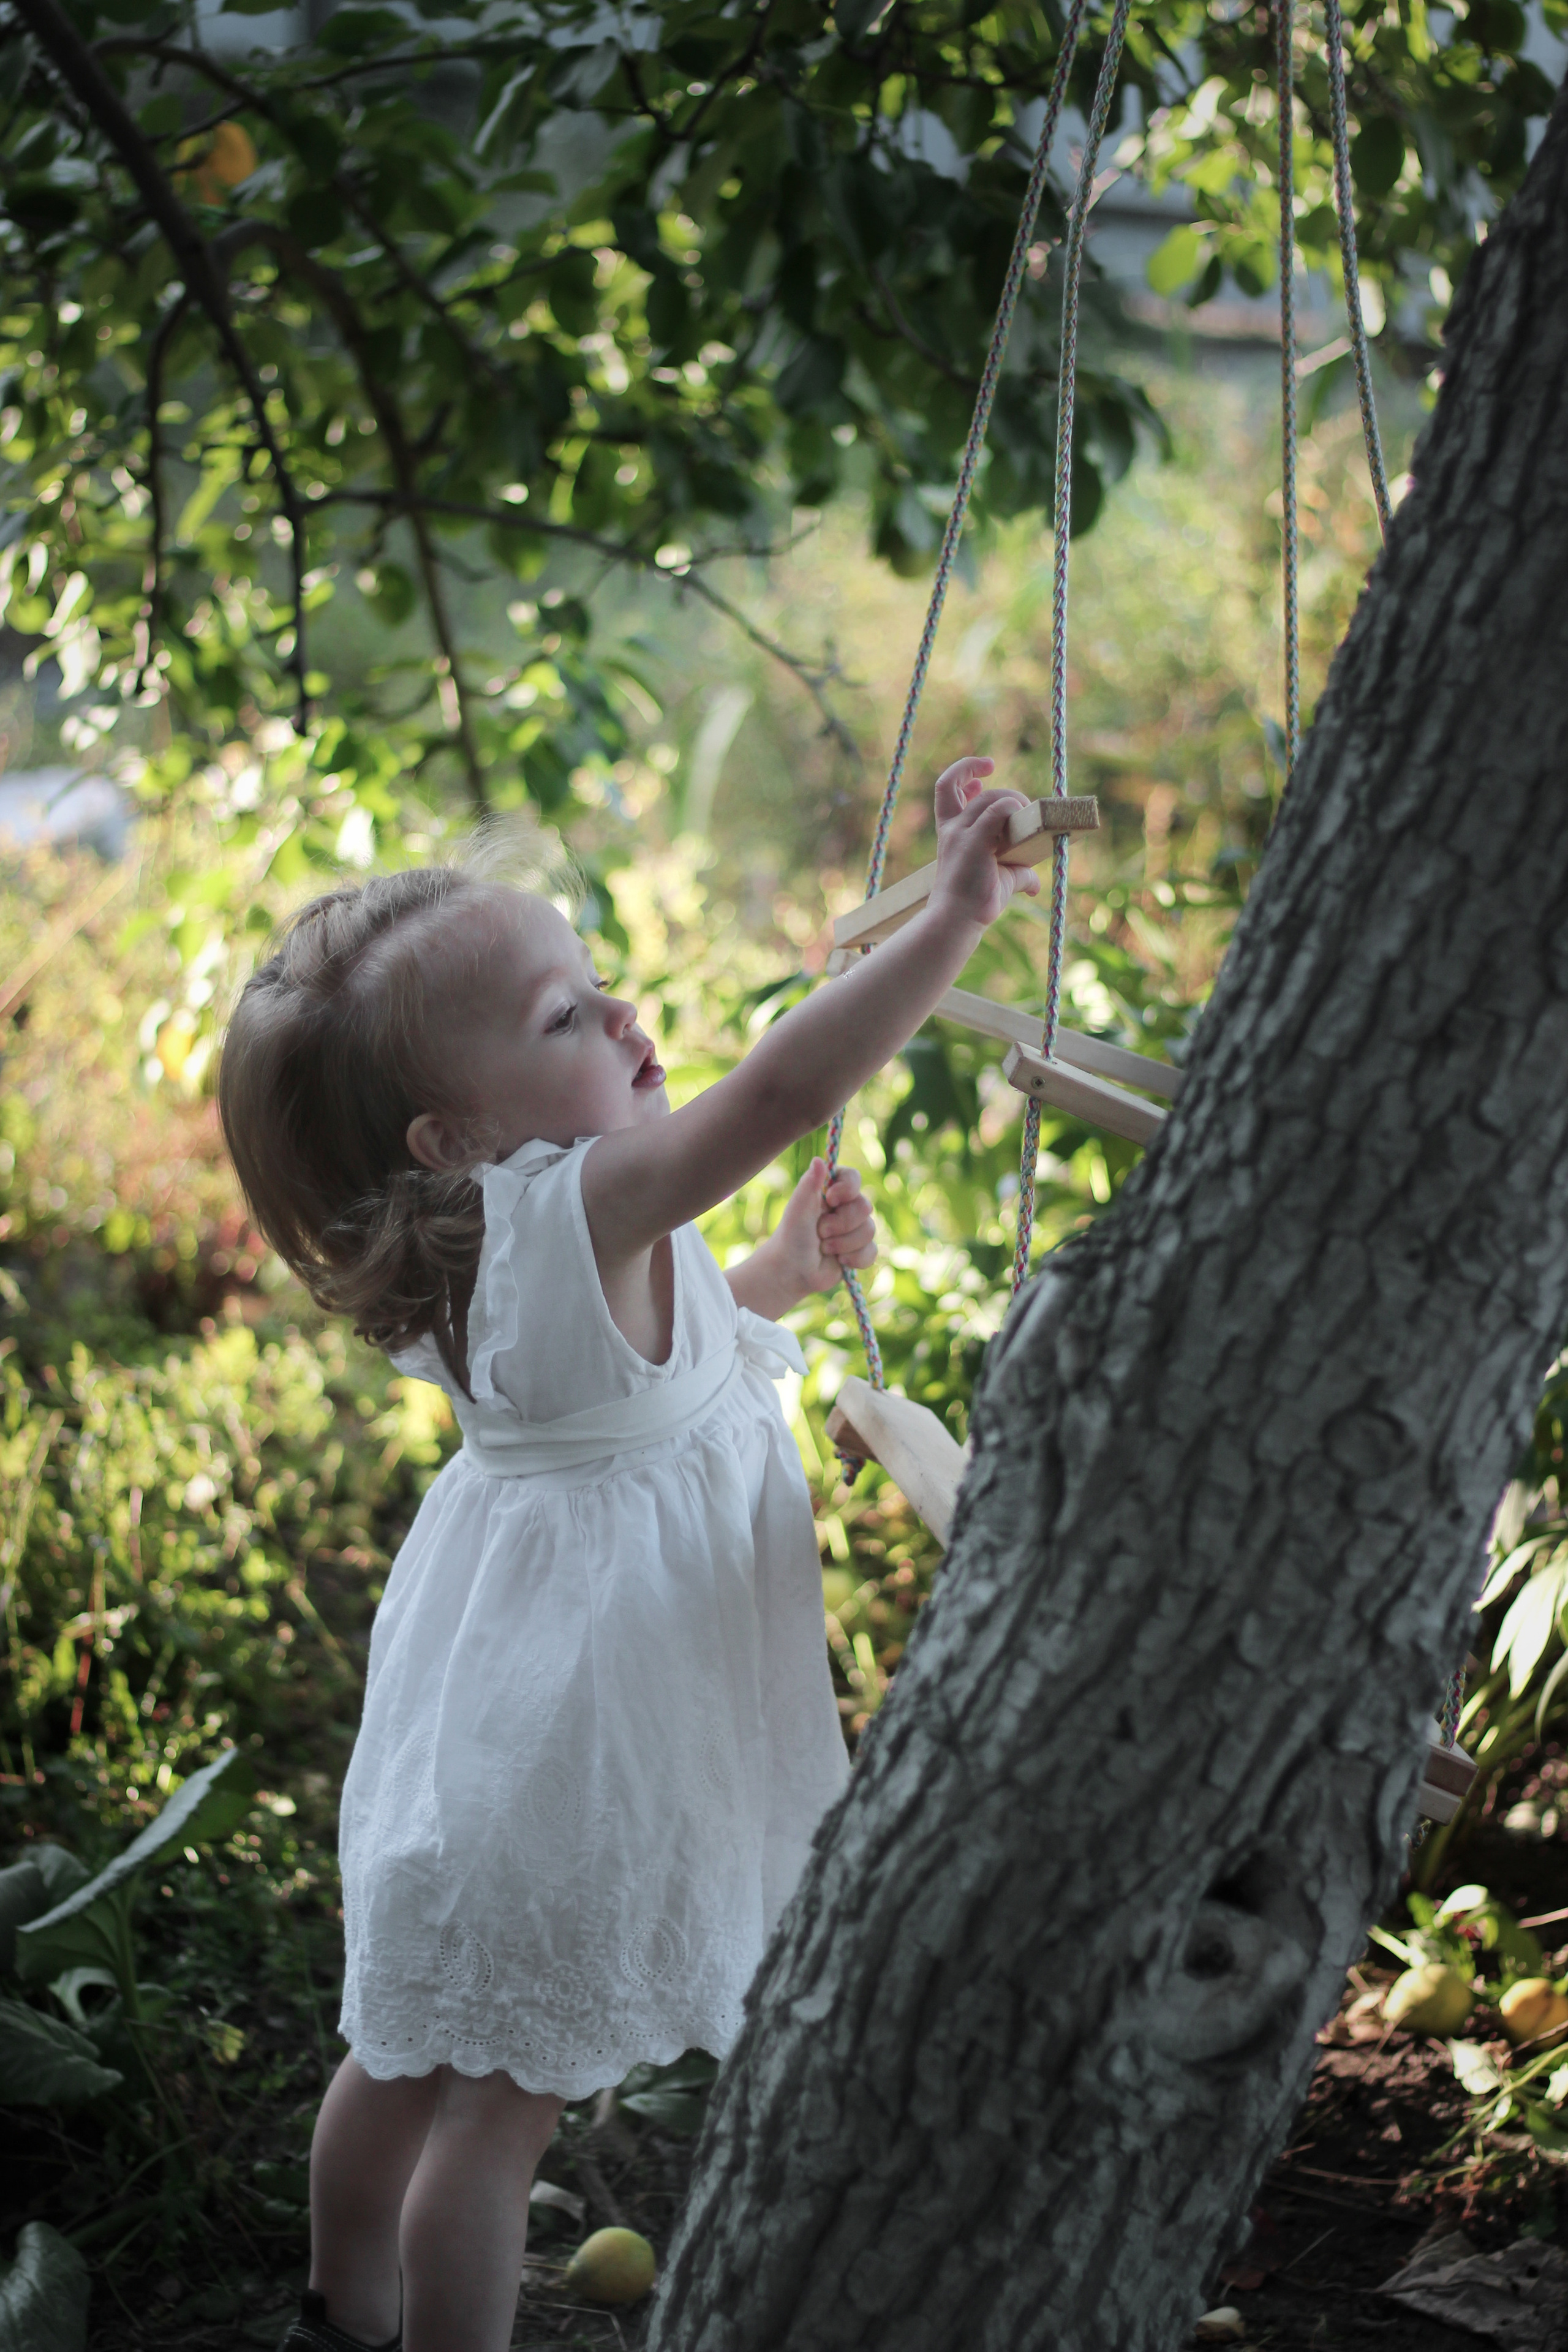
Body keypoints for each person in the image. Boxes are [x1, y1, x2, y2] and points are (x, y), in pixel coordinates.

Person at [216, 756, 1036, 2352]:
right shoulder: (576, 1205)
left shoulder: (487, 1237)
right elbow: (778, 1095)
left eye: (597, 983)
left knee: (407, 2054)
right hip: (577, 1748)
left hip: (497, 1723)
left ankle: (342, 2305)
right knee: (495, 2117)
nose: (621, 1015)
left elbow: (641, 1377)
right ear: (453, 1134)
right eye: (561, 1019)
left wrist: (776, 1276)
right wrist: (950, 922)